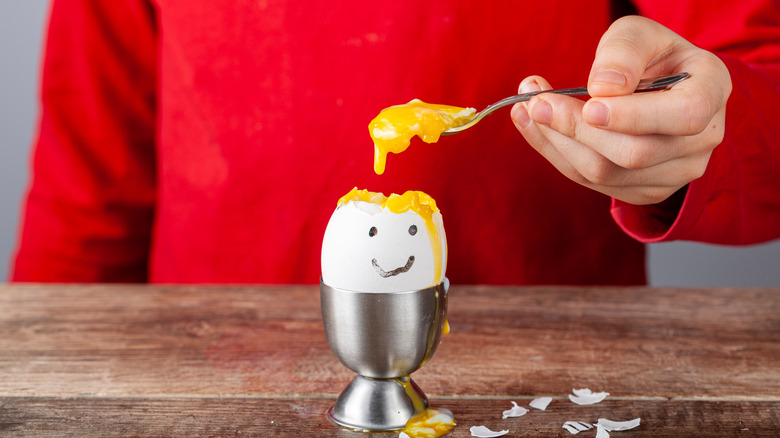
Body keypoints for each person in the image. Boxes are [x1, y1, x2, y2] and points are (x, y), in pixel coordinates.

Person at [10, 1, 780, 285]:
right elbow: (85, 199)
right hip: (208, 373)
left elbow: (758, 96)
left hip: (547, 381)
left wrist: (708, 125)